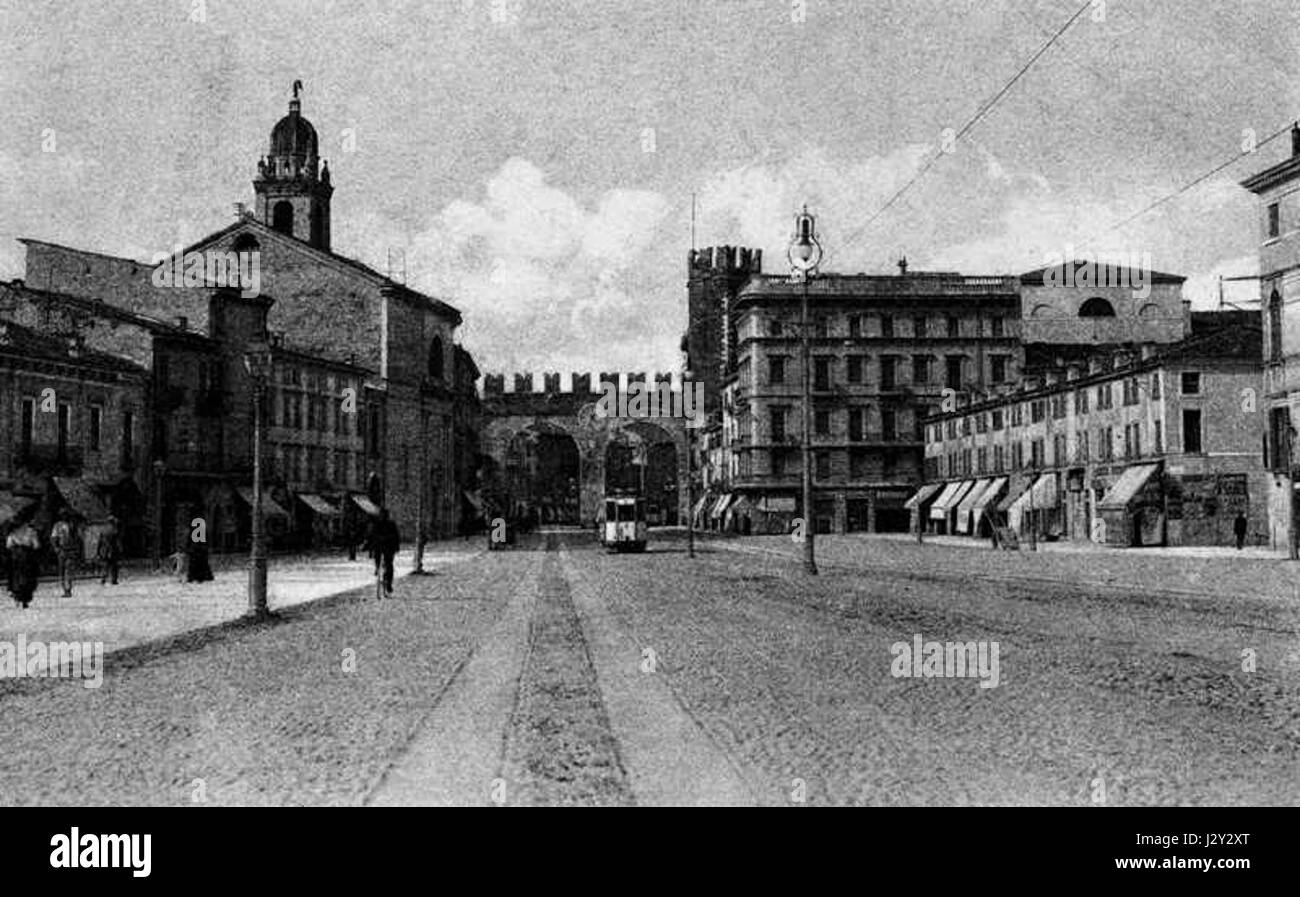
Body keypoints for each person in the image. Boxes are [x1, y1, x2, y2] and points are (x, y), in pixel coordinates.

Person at [6, 520, 41, 609]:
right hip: (27, 556)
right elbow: (36, 545)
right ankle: (25, 599)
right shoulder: (31, 531)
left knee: (16, 577)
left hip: (16, 557)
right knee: (28, 577)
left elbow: (8, 545)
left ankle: (17, 596)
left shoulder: (12, 532)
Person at [367, 508, 401, 596]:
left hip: (383, 547)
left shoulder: (377, 524)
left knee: (386, 563)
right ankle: (388, 583)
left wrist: (370, 548)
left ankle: (379, 570)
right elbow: (396, 537)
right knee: (388, 564)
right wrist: (396, 547)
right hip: (386, 547)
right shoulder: (390, 524)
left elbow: (371, 537)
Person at [50, 512, 78, 598]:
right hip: (69, 549)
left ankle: (66, 589)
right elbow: (77, 538)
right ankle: (67, 589)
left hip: (63, 550)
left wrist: (56, 548)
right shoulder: (72, 524)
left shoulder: (57, 525)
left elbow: (53, 538)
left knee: (63, 570)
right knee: (67, 570)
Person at [98, 514, 122, 585]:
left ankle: (103, 579)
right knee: (114, 566)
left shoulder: (103, 530)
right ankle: (114, 580)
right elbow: (117, 541)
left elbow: (100, 541)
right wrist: (120, 549)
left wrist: (98, 551)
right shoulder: (114, 530)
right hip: (112, 550)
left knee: (105, 566)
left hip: (104, 551)